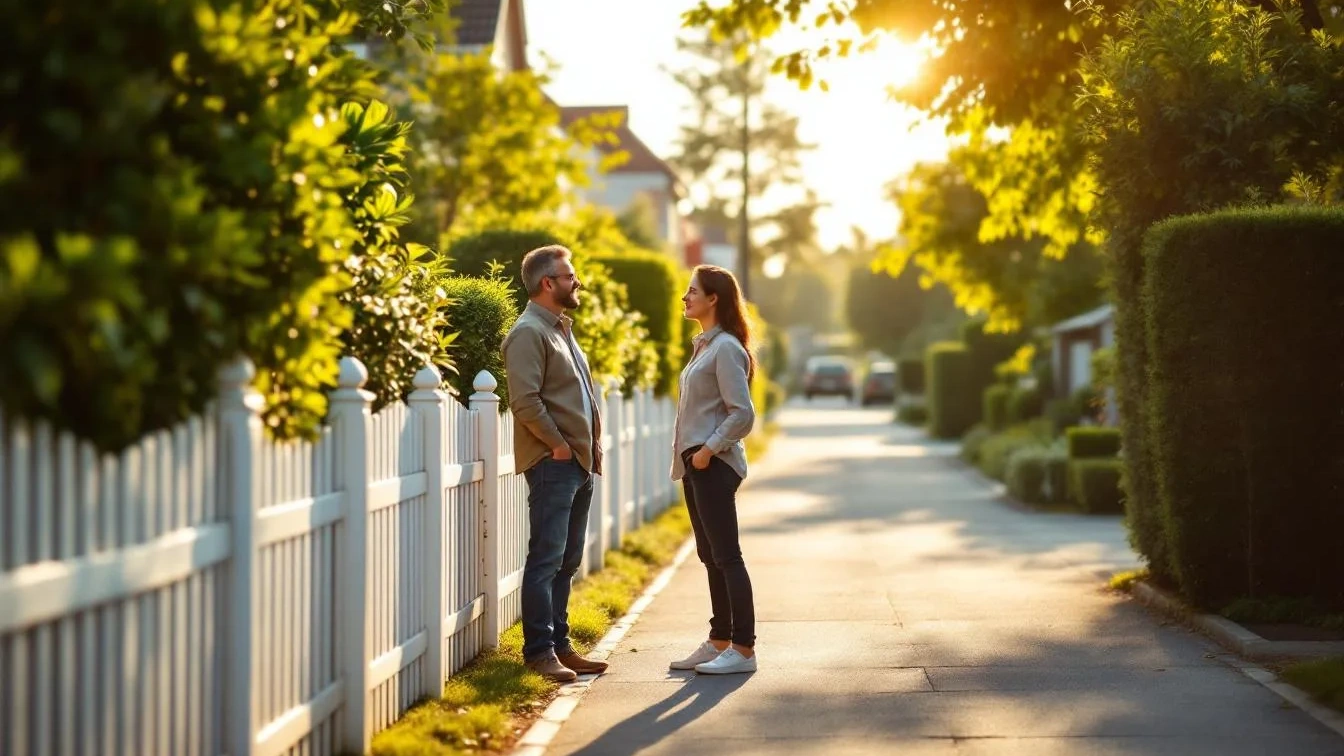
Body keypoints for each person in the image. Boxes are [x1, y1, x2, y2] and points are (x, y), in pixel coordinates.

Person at [501, 244, 609, 683]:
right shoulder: (529, 332)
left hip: (578, 464)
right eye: (569, 276)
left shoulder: (560, 328)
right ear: (548, 283)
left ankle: (561, 646)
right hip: (553, 463)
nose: (575, 281)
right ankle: (539, 651)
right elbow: (524, 400)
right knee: (546, 558)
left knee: (566, 560)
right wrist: (559, 445)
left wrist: (587, 446)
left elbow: (575, 394)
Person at [668, 265, 759, 675]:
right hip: (697, 464)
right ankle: (719, 639)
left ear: (713, 299)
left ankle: (742, 649)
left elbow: (743, 413)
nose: (685, 298)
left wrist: (708, 450)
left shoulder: (725, 348)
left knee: (727, 556)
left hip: (714, 464)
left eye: (692, 291)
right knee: (709, 555)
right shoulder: (704, 346)